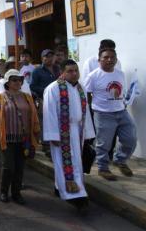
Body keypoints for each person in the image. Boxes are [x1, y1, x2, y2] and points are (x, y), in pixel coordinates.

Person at [44, 60, 95, 211]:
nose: (74, 74)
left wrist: (88, 133)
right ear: (63, 73)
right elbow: (49, 113)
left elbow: (85, 113)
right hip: (61, 132)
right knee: (64, 163)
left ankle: (60, 188)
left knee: (76, 164)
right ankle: (76, 197)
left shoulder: (81, 88)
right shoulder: (53, 89)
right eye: (70, 71)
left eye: (76, 70)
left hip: (77, 131)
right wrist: (52, 135)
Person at [83, 49, 136, 181]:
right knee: (104, 144)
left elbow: (121, 91)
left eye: (112, 57)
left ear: (116, 59)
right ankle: (103, 168)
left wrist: (122, 103)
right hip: (103, 114)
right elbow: (85, 94)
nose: (109, 60)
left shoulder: (120, 74)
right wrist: (92, 110)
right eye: (106, 57)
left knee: (130, 139)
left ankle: (120, 160)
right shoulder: (93, 76)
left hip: (121, 111)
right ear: (99, 59)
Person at [0, 70, 39, 205]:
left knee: (19, 167)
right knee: (8, 166)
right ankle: (4, 191)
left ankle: (16, 193)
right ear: (7, 82)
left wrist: (35, 133)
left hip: (23, 139)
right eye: (14, 80)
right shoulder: (0, 97)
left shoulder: (27, 97)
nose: (18, 83)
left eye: (20, 80)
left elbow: (33, 115)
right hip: (6, 138)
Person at [30, 49, 59, 154]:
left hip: (58, 100)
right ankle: (46, 145)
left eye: (51, 56)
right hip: (43, 100)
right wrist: (47, 90)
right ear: (42, 58)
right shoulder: (37, 70)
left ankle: (55, 140)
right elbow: (32, 86)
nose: (49, 58)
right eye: (46, 56)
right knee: (44, 122)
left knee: (57, 119)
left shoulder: (58, 69)